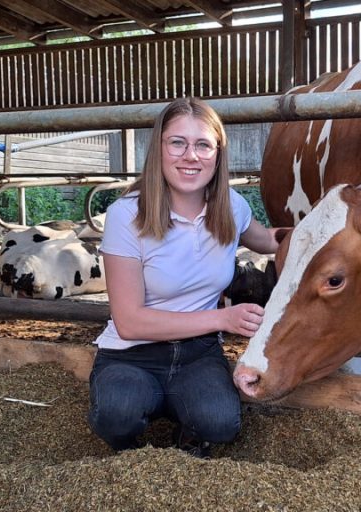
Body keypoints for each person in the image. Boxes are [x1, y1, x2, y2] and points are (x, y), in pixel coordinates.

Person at [87, 97, 281, 457]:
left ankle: (189, 430)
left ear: (218, 154)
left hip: (198, 354)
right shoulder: (126, 215)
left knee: (222, 423)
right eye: (178, 142)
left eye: (203, 144)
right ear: (159, 148)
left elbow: (270, 240)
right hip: (132, 355)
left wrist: (326, 230)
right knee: (116, 414)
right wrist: (224, 318)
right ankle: (132, 447)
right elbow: (129, 322)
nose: (191, 155)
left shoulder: (231, 207)